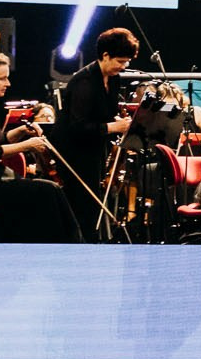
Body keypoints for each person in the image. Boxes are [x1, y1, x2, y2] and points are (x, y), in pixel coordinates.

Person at [0, 51, 79, 242]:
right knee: (49, 191)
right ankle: (62, 245)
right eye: (2, 78)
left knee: (53, 190)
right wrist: (27, 145)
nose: (8, 84)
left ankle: (70, 243)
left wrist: (21, 131)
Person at [52, 29, 137, 223]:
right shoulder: (85, 82)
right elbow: (77, 127)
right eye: (120, 61)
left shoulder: (113, 78)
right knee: (83, 207)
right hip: (74, 154)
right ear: (105, 55)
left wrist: (117, 121)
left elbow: (106, 113)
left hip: (94, 149)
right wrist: (114, 128)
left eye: (126, 62)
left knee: (93, 204)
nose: (123, 67)